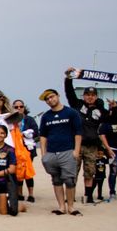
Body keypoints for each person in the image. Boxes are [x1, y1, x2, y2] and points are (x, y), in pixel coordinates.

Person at [64, 71, 111, 205]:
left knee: (90, 172)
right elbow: (69, 92)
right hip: (77, 145)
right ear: (83, 96)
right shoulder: (77, 105)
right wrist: (68, 78)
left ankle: (88, 196)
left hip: (92, 146)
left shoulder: (101, 110)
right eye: (87, 95)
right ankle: (70, 196)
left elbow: (114, 118)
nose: (90, 97)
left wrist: (114, 107)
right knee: (73, 171)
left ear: (96, 97)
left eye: (93, 95)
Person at [37, 88, 83, 216]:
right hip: (51, 152)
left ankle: (71, 207)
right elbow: (43, 136)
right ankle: (61, 206)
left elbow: (78, 132)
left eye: (51, 97)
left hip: (68, 150)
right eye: (47, 99)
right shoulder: (46, 116)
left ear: (58, 96)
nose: (50, 100)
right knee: (56, 180)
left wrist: (76, 151)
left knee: (69, 180)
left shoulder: (71, 113)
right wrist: (43, 154)